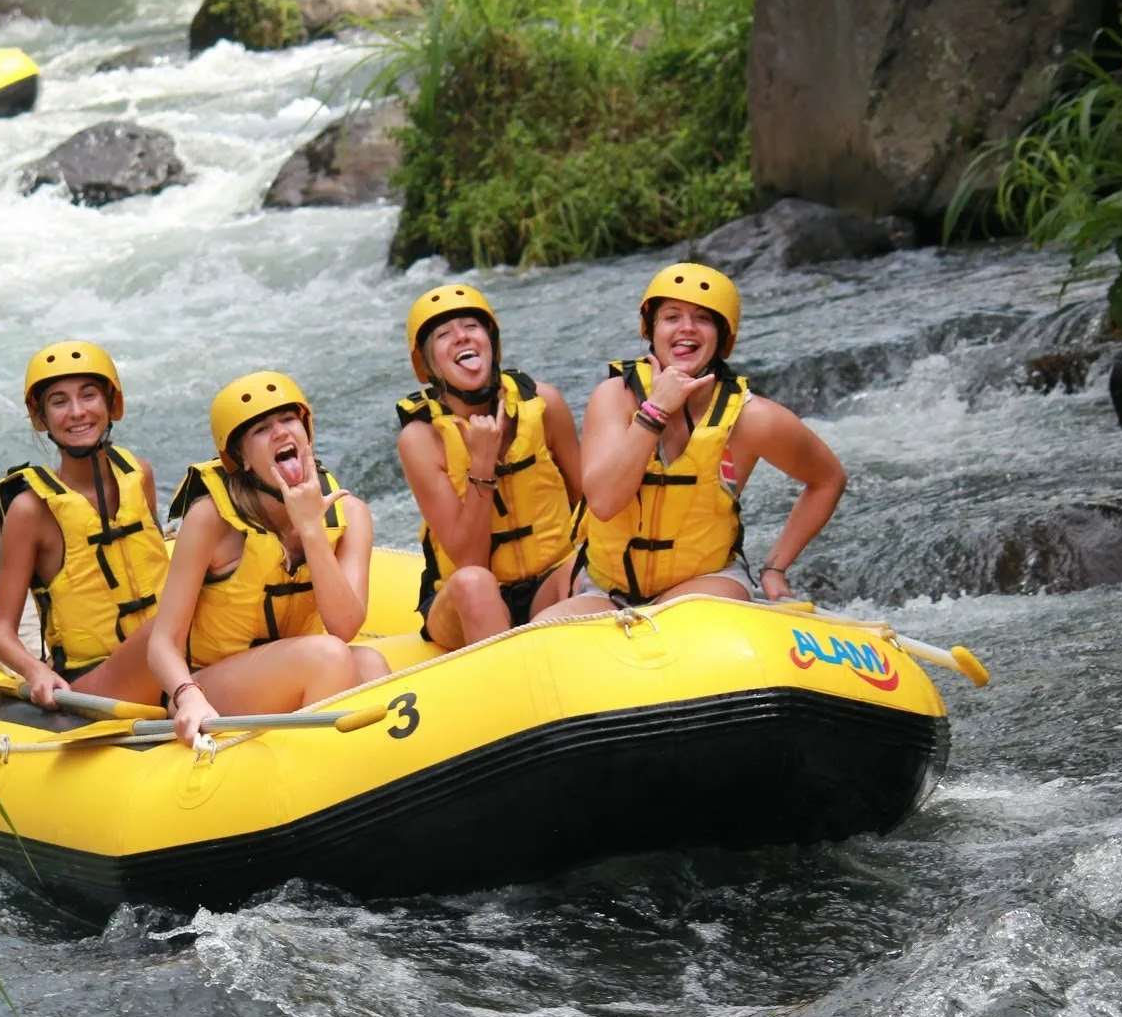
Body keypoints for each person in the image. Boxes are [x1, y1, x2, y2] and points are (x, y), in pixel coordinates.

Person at [542, 262, 846, 617]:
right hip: (608, 591)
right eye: (672, 317)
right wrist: (655, 410)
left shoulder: (752, 418)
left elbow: (827, 479)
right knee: (539, 639)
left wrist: (775, 568)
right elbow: (605, 503)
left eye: (702, 318)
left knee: (679, 619)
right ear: (651, 330)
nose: (686, 328)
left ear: (722, 336)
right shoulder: (614, 397)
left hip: (706, 584)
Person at [150, 372, 389, 747]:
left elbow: (345, 626)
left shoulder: (352, 514)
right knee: (328, 656)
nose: (281, 433)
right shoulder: (211, 520)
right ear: (241, 458)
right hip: (211, 685)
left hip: (296, 668)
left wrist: (311, 531)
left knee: (371, 663)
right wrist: (187, 694)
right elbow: (163, 642)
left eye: (289, 420)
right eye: (262, 429)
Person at [395, 283, 582, 648]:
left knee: (586, 564)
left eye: (471, 326)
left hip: (549, 584)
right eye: (444, 334)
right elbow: (470, 559)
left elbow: (589, 505)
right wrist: (482, 463)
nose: (461, 337)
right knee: (473, 582)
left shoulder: (545, 404)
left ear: (491, 341)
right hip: (466, 603)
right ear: (429, 364)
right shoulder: (421, 439)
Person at [0, 341, 170, 708]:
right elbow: (0, 633)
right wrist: (35, 671)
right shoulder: (31, 510)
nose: (77, 412)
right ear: (42, 419)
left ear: (110, 405)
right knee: (168, 633)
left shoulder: (140, 474)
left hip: (170, 655)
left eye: (89, 396)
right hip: (95, 678)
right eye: (59, 401)